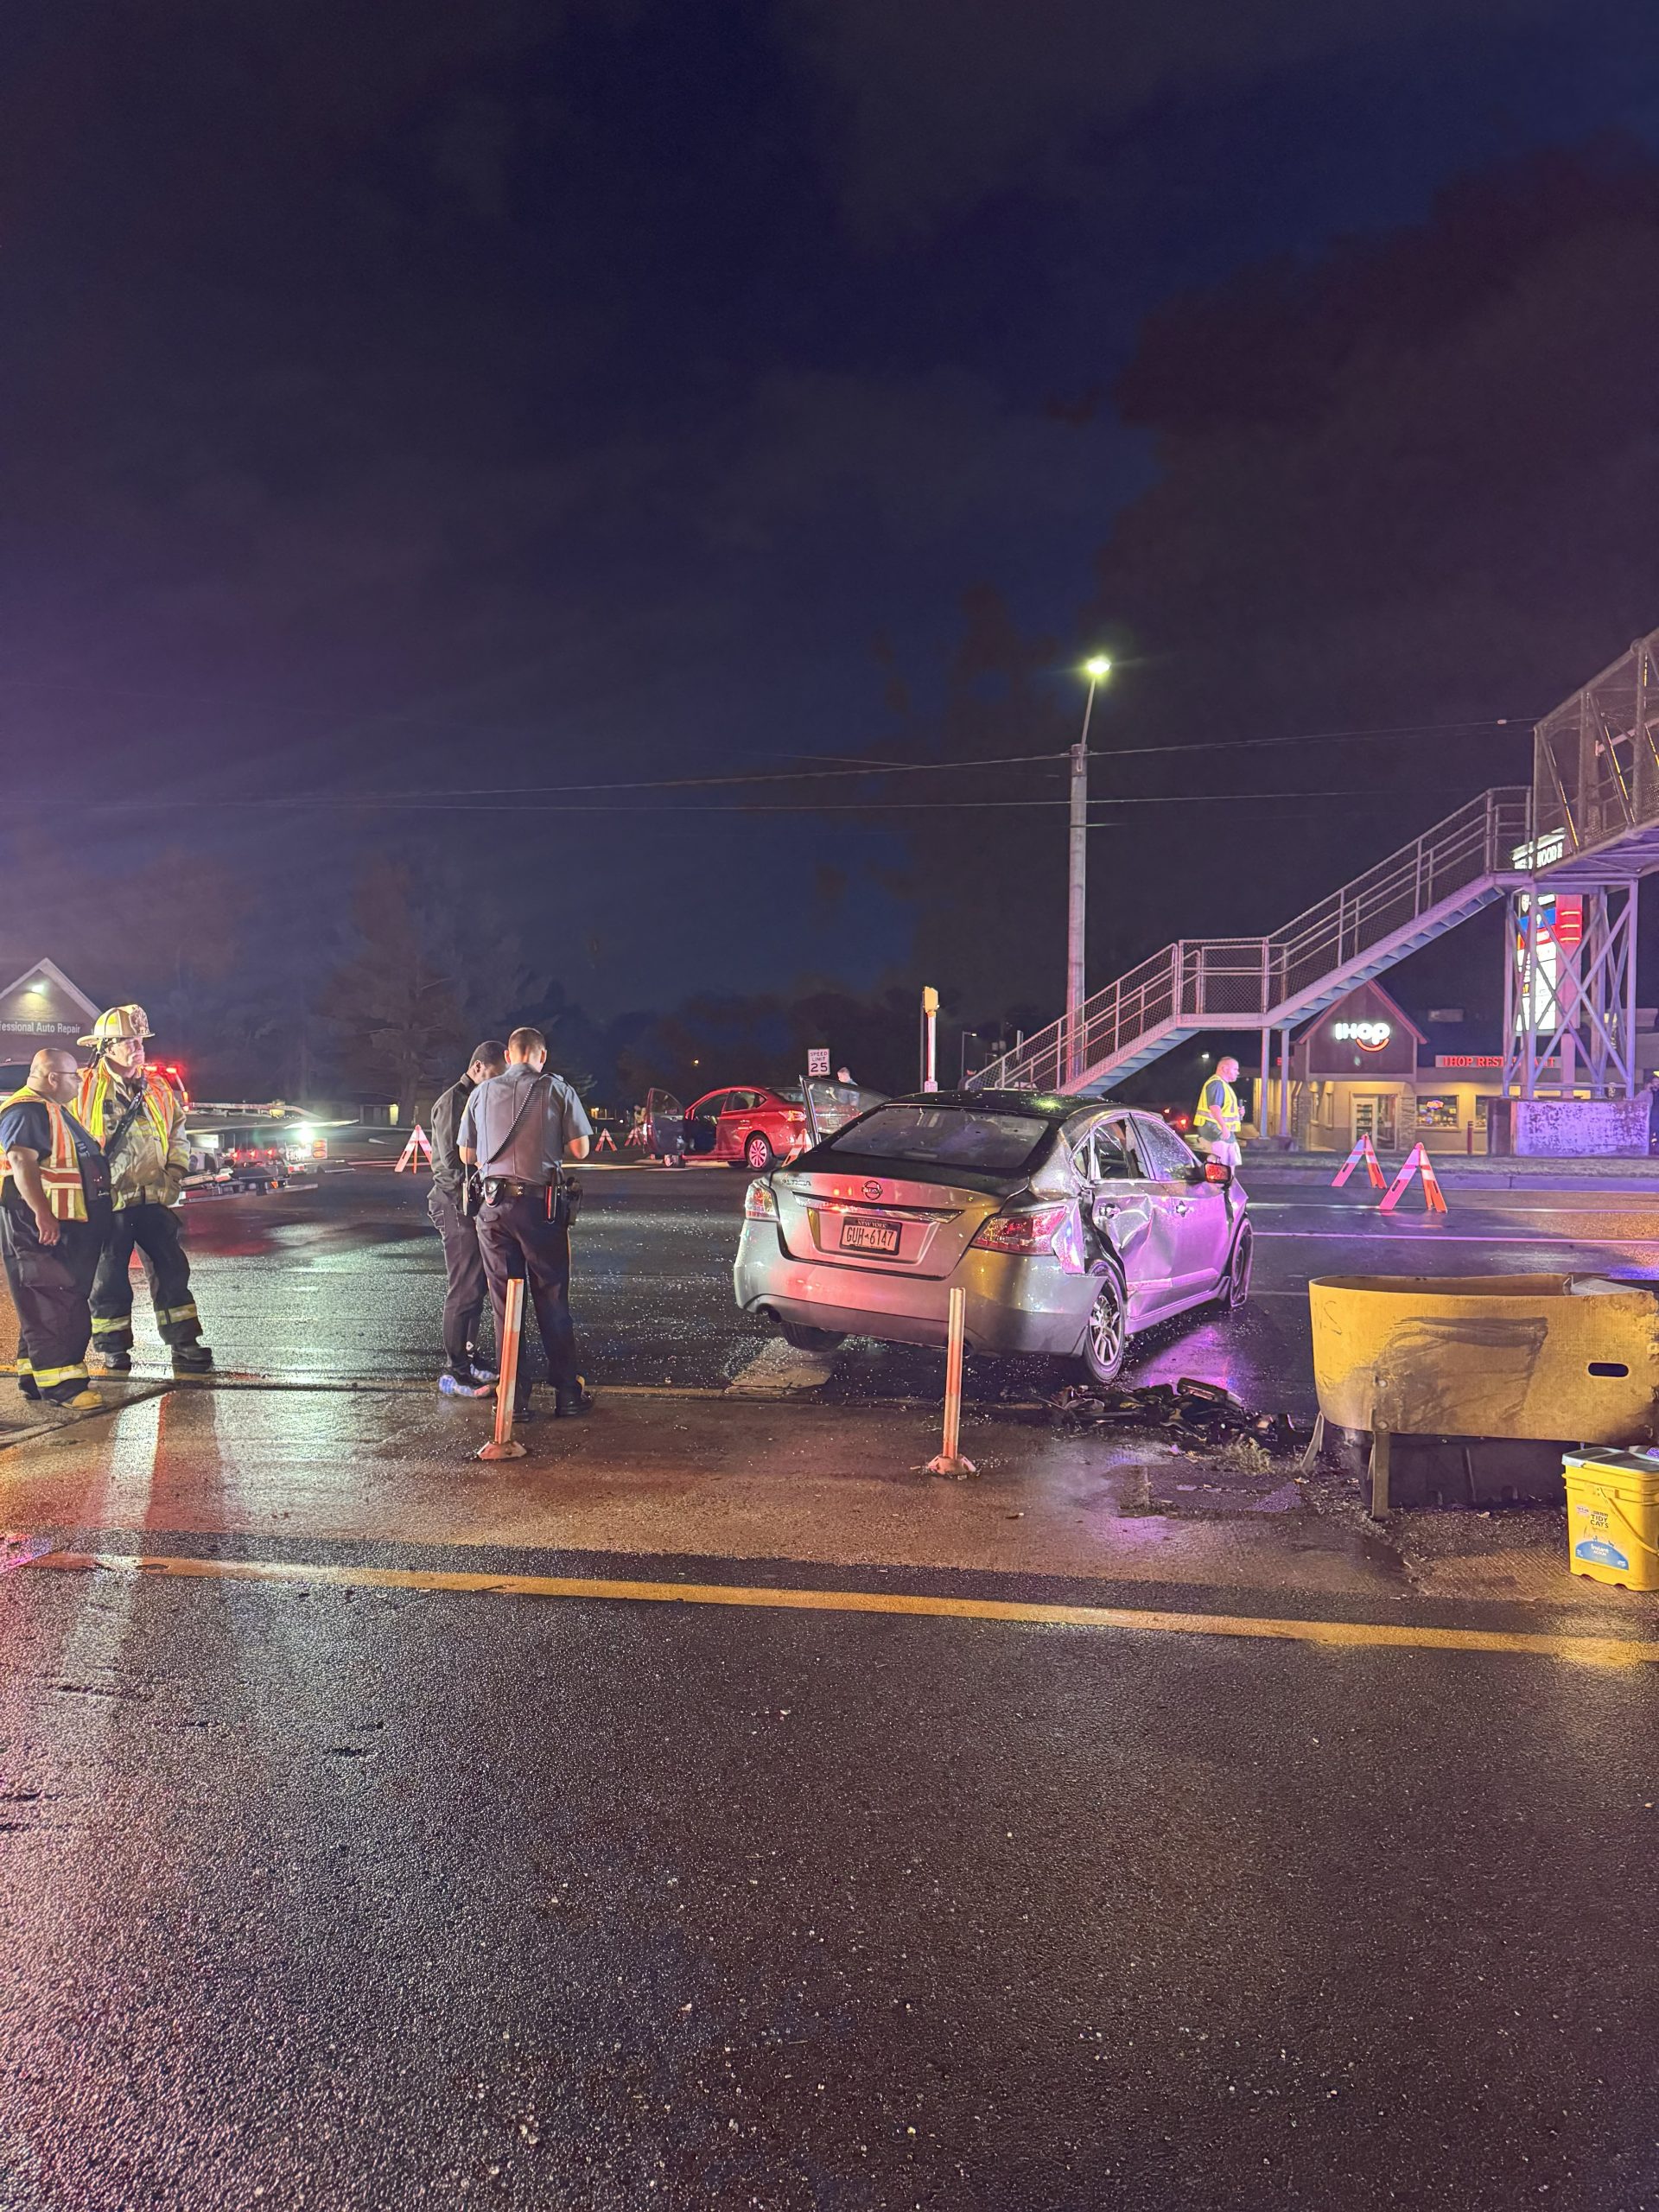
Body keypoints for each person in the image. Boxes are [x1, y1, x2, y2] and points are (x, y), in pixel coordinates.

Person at [458, 1026, 593, 1420]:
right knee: (552, 1297)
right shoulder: (557, 1090)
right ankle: (567, 1393)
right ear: (541, 1056)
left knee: (505, 1304)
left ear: (509, 1056)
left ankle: (514, 1398)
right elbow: (581, 1150)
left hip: (493, 1208)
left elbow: (466, 1155)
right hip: (540, 1208)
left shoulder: (482, 1092)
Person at [76, 1005, 212, 1375]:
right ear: (106, 1047)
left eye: (140, 1041)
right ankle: (113, 1349)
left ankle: (184, 1343)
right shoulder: (83, 1088)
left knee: (172, 1271)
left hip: (154, 1196)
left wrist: (175, 1171)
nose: (138, 1048)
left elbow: (177, 1132)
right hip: (110, 1202)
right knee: (108, 1279)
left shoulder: (157, 1087)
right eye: (129, 1042)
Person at [0, 1047, 111, 1409]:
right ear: (52, 1078)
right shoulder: (27, 1110)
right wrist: (43, 1214)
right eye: (73, 1076)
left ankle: (35, 1376)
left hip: (61, 1223)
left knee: (45, 1300)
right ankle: (65, 1387)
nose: (79, 1082)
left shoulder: (51, 1109)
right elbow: (21, 1161)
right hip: (40, 1226)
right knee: (54, 1300)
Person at [428, 1040, 506, 1398]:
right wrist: (472, 1201)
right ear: (477, 1068)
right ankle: (453, 1371)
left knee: (477, 1286)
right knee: (463, 1288)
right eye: (494, 1075)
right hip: (453, 1204)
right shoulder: (453, 1102)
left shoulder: (478, 1098)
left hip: (471, 1204)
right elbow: (449, 1162)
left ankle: (469, 1357)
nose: (497, 1083)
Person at [1195, 1055, 1244, 1167]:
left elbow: (1222, 1109)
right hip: (1216, 1131)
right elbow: (1214, 1107)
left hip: (1221, 1132)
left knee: (1226, 1165)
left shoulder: (1223, 1085)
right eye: (1235, 1069)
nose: (1238, 1073)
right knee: (1221, 1166)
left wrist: (1238, 1112)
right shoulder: (1217, 1084)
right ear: (1225, 1069)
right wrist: (1223, 1127)